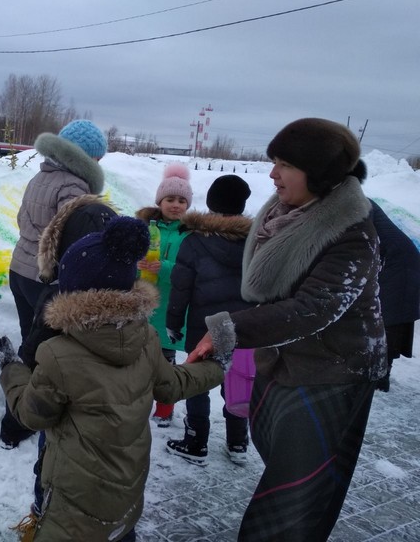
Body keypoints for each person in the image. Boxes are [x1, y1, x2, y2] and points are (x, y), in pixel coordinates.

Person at [189, 118, 388, 541]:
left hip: (332, 374)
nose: (272, 174)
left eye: (284, 164)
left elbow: (314, 308)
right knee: (285, 463)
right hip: (286, 363)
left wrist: (227, 330)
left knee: (298, 495)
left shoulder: (354, 233)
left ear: (319, 173)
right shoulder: (285, 215)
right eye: (273, 162)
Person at [0, 216, 226, 542]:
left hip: (73, 505)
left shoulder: (58, 354)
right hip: (126, 496)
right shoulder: (146, 338)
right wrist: (217, 366)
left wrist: (10, 369)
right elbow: (172, 384)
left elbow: (32, 414)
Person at [3, 119, 107, 449]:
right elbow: (72, 237)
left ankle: (19, 408)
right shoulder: (74, 187)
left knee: (30, 340)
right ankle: (18, 422)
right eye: (97, 158)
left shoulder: (41, 177)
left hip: (20, 270)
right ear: (85, 158)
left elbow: (24, 221)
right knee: (43, 351)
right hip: (43, 277)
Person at [165, 174, 254, 466]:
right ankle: (238, 442)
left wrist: (173, 323)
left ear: (211, 203)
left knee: (198, 383)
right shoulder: (257, 241)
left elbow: (181, 288)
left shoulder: (195, 241)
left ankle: (195, 441)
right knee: (237, 382)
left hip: (203, 328)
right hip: (243, 326)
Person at [353, 161, 420, 392]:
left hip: (400, 263)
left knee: (388, 317)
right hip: (399, 260)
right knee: (387, 315)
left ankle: (381, 375)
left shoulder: (359, 205)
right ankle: (379, 372)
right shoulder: (360, 203)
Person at [136, 162, 193, 427]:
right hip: (146, 303)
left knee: (166, 363)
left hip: (172, 306)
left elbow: (191, 270)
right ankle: (139, 400)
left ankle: (165, 406)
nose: (175, 205)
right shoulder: (146, 227)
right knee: (141, 357)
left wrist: (166, 268)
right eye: (170, 199)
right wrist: (137, 265)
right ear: (160, 201)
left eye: (182, 200)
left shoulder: (190, 235)